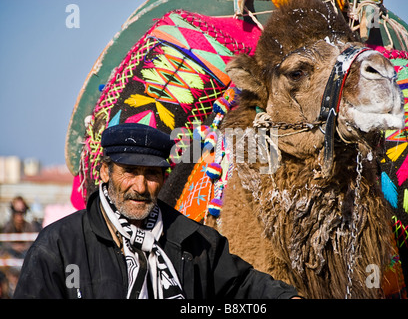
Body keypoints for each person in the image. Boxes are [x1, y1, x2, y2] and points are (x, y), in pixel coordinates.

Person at [14, 123, 299, 299]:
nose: (140, 186)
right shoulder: (59, 246)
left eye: (151, 174)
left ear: (164, 179)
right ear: (104, 171)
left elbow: (241, 284)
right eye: (129, 172)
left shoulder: (192, 240)